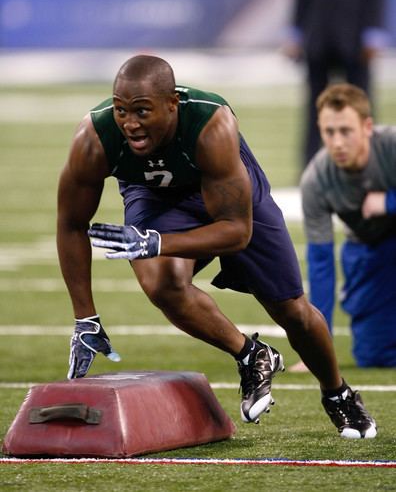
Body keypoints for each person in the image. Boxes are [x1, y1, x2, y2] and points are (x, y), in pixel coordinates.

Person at [57, 54, 377, 438]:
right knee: (162, 283)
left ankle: (338, 394)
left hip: (229, 198)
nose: (130, 123)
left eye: (142, 111)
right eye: (122, 110)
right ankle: (251, 354)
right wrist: (85, 318)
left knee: (291, 309)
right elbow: (71, 224)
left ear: (173, 103)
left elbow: (236, 232)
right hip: (156, 195)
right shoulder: (93, 138)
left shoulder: (212, 125)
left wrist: (156, 241)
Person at [299, 82, 396, 370]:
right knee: (373, 357)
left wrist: (390, 202)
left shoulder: (391, 146)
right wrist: (318, 344)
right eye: (329, 132)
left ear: (367, 127)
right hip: (368, 251)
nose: (337, 143)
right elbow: (321, 262)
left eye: (346, 131)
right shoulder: (316, 180)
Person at [284, 0, 387, 169]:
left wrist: (374, 33)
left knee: (362, 103)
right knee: (314, 107)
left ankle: (370, 165)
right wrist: (295, 32)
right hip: (317, 35)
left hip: (356, 37)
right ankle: (310, 168)